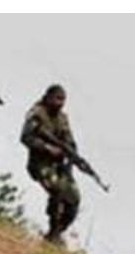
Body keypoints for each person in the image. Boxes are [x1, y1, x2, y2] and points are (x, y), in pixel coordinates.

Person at [20, 84, 82, 244]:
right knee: (58, 191)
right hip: (40, 164)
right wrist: (48, 148)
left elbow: (70, 141)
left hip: (60, 165)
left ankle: (57, 232)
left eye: (63, 100)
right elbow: (26, 137)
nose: (60, 103)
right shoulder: (37, 113)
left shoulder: (62, 118)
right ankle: (53, 231)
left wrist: (71, 156)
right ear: (48, 97)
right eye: (57, 99)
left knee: (74, 199)